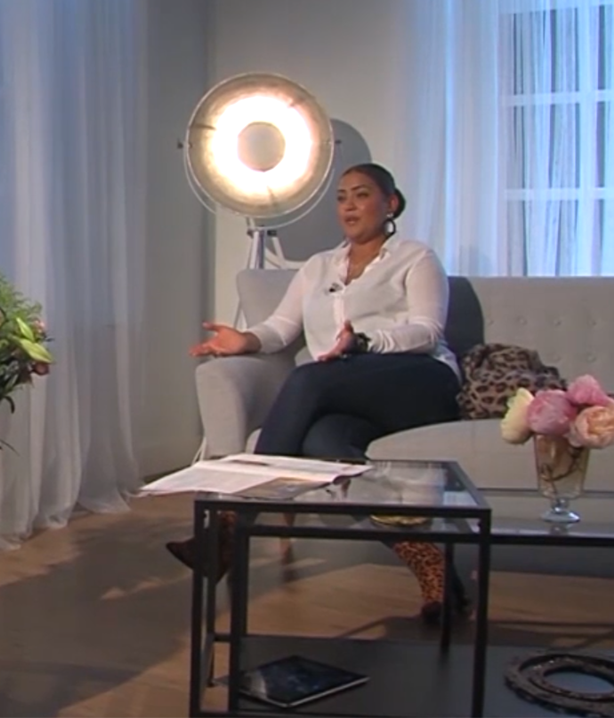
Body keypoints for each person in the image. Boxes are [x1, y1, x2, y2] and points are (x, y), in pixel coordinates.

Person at [168, 163, 468, 624]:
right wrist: (244, 340)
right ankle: (436, 570)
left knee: (309, 377)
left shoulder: (415, 257)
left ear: (390, 204)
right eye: (342, 197)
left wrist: (365, 342)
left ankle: (229, 525)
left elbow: (428, 331)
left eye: (361, 195)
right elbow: (281, 327)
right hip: (347, 392)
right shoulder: (318, 267)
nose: (349, 205)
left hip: (418, 381)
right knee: (324, 443)